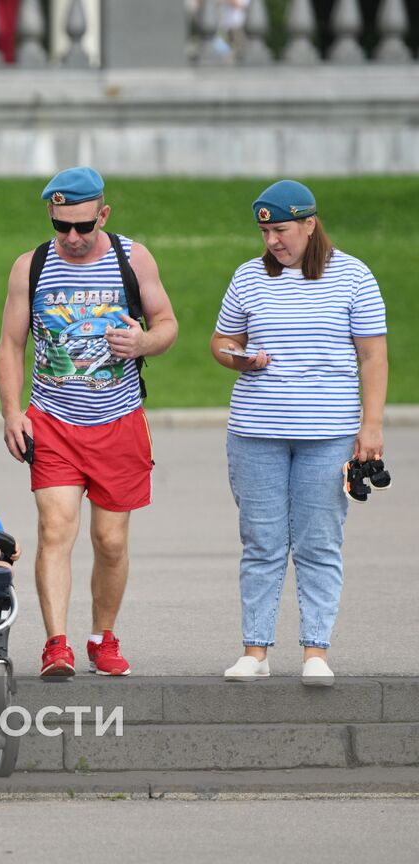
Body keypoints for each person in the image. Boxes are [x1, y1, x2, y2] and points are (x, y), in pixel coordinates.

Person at [0, 166, 178, 679]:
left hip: (118, 419)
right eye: (61, 227)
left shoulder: (131, 258)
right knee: (55, 530)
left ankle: (103, 637)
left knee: (111, 542)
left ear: (103, 215)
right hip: (52, 420)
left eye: (82, 226)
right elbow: (11, 344)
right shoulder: (29, 267)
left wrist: (143, 342)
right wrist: (12, 412)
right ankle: (57, 644)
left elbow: (168, 324)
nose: (72, 238)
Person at [211, 180, 387, 686]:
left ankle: (316, 651)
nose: (272, 241)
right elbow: (222, 341)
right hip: (256, 432)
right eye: (264, 231)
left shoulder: (354, 276)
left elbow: (373, 355)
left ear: (310, 223)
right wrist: (237, 358)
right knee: (262, 542)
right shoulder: (248, 277)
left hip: (329, 433)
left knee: (319, 543)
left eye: (281, 229)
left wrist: (370, 427)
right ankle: (255, 651)